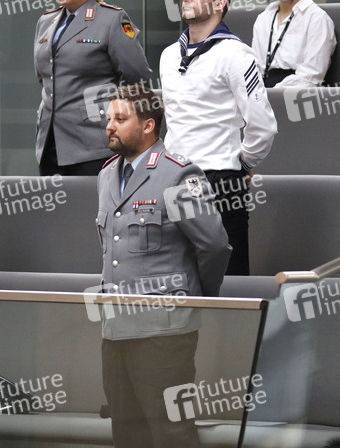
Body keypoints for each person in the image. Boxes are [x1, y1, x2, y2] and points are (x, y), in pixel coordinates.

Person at [96, 83, 231, 448]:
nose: (109, 126)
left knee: (172, 432)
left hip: (163, 333)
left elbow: (214, 245)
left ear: (148, 125)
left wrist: (195, 299)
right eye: (108, 118)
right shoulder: (107, 175)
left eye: (120, 119)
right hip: (115, 329)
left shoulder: (178, 175)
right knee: (126, 432)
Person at [159, 0, 277, 275]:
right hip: (173, 178)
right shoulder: (168, 55)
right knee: (176, 274)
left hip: (219, 181)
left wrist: (242, 163)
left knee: (227, 279)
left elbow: (262, 125)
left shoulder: (236, 54)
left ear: (220, 3)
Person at [34, 0, 152, 175]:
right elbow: (45, 77)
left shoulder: (111, 19)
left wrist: (117, 115)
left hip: (92, 141)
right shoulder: (46, 21)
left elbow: (137, 76)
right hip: (49, 141)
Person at [250, 0, 336, 87]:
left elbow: (312, 75)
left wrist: (275, 93)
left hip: (296, 93)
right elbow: (255, 67)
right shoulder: (263, 19)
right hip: (263, 91)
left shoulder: (316, 18)